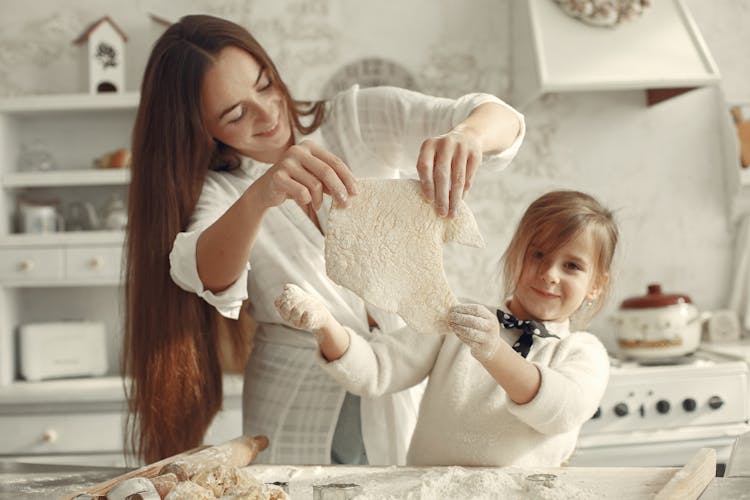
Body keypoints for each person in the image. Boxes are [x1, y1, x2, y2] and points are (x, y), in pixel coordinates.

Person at [124, 14, 525, 465]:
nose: (268, 112)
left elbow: (501, 118)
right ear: (199, 127)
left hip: (400, 374)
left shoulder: (353, 119)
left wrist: (467, 134)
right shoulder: (221, 189)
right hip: (297, 392)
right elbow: (200, 271)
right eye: (236, 114)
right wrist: (261, 195)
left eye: (265, 84)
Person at [275, 190, 618, 467]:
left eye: (572, 265)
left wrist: (493, 351)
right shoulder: (458, 321)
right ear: (517, 256)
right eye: (538, 255)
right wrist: (325, 324)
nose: (550, 274)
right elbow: (377, 370)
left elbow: (560, 411)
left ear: (595, 286)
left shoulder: (583, 352)